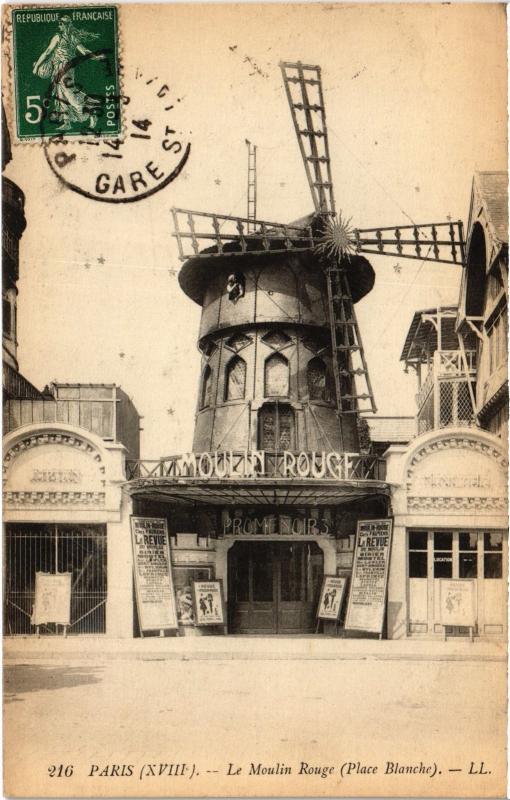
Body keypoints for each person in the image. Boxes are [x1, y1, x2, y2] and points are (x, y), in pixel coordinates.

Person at [32, 16, 105, 131]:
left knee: (69, 93)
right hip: (58, 68)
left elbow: (84, 51)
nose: (59, 26)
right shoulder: (60, 37)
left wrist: (96, 57)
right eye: (59, 23)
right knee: (60, 95)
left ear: (67, 25)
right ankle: (67, 122)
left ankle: (91, 112)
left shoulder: (70, 37)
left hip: (66, 69)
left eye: (61, 24)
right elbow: (47, 52)